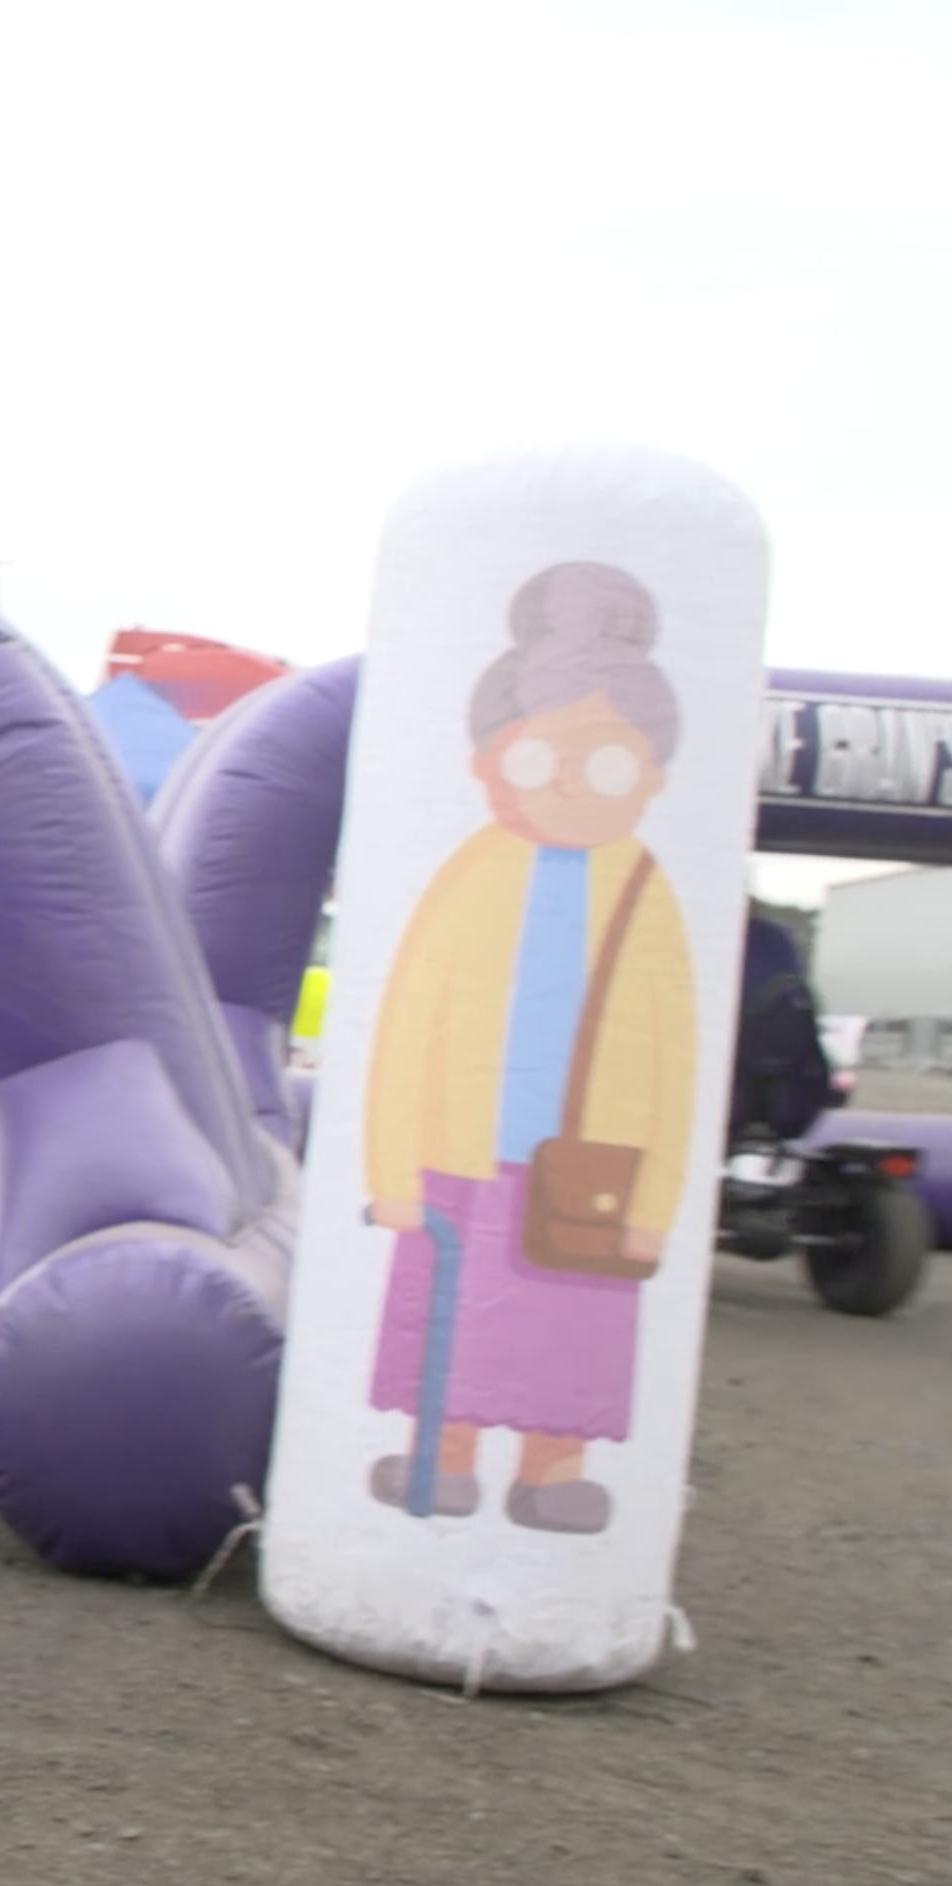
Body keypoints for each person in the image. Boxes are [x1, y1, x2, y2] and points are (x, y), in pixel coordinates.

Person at [361, 561, 697, 1537]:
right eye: (529, 759)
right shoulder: (468, 875)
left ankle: (554, 1469)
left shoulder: (645, 891)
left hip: (594, 1166)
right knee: (452, 1314)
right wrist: (392, 1171)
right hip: (458, 1152)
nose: (562, 784)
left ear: (649, 777)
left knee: (569, 1325)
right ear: (485, 763)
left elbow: (671, 1057)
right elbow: (407, 1029)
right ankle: (447, 1454)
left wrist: (654, 1201)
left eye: (600, 764)